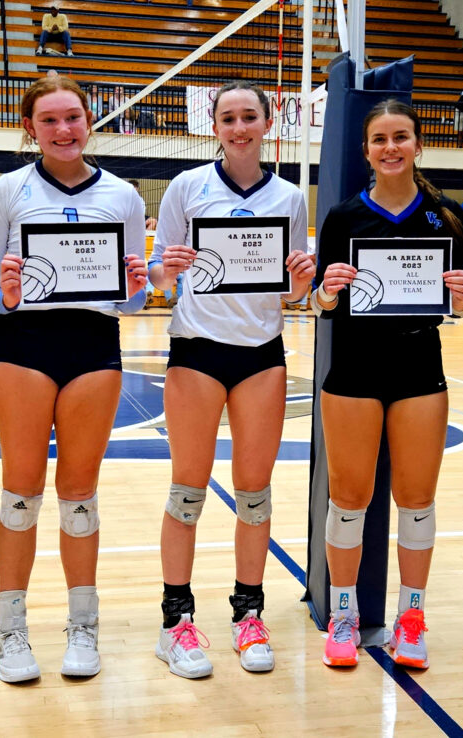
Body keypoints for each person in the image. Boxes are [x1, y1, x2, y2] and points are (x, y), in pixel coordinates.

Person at [0, 75, 148, 683]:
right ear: (30, 129)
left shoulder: (123, 195)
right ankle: (10, 629)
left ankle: (83, 625)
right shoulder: (5, 190)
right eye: (49, 120)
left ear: (89, 119)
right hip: (24, 346)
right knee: (21, 493)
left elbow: (130, 302)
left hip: (93, 347)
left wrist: (137, 287)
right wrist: (9, 293)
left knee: (79, 493)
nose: (64, 129)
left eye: (72, 116)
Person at [148, 81, 314, 679]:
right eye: (228, 118)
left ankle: (249, 613)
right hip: (196, 350)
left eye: (249, 117)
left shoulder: (291, 197)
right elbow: (160, 282)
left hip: (261, 354)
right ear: (213, 126)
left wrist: (302, 278)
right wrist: (161, 268)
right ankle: (176, 621)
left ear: (267, 123)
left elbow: (293, 291)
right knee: (187, 490)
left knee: (254, 491)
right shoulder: (186, 188)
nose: (239, 127)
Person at [313, 99, 463, 669]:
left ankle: (411, 617)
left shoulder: (448, 216)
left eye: (400, 137)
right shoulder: (341, 217)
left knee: (417, 500)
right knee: (349, 499)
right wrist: (328, 289)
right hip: (353, 374)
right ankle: (343, 614)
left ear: (417, 144)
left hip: (418, 374)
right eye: (379, 139)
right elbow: (320, 304)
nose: (390, 147)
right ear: (366, 150)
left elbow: (461, 303)